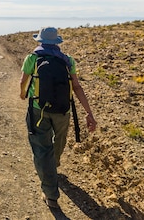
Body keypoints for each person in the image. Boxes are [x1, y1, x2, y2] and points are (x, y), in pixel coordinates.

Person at [19, 27, 97, 210]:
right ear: (57, 43)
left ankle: (51, 193)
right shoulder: (68, 60)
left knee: (41, 148)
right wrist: (88, 112)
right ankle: (53, 166)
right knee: (59, 141)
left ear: (40, 41)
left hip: (39, 110)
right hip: (63, 110)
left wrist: (23, 94)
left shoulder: (32, 58)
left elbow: (23, 81)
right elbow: (76, 87)